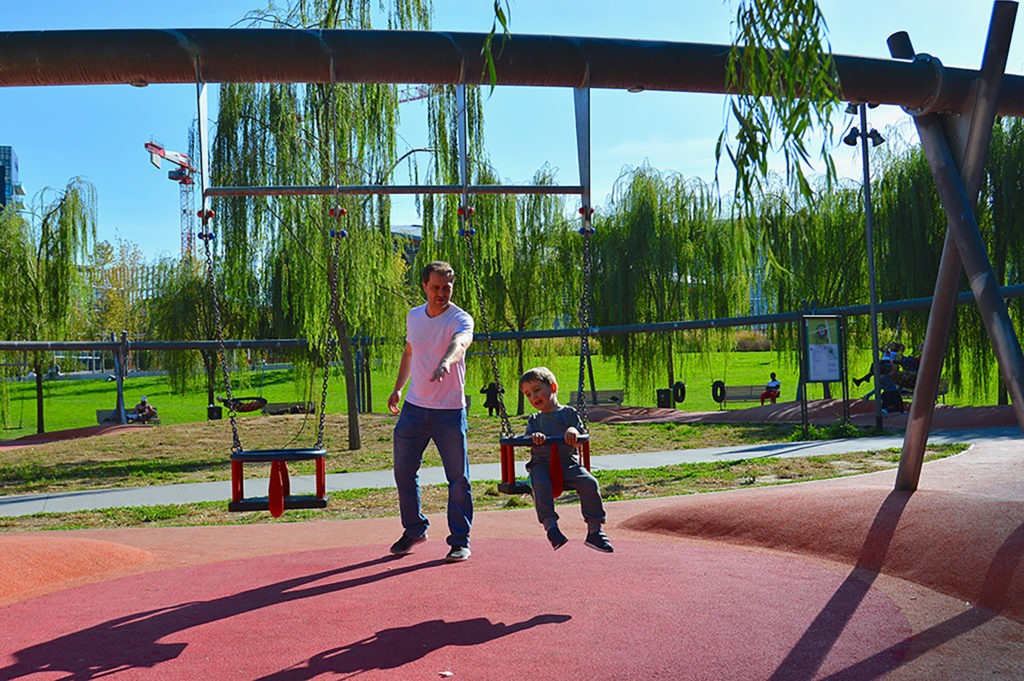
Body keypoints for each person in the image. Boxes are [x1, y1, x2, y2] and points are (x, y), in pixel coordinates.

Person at [387, 261, 475, 563]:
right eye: (436, 287)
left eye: (447, 287)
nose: (441, 293)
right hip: (414, 407)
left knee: (457, 478)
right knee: (403, 471)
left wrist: (446, 362)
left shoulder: (460, 318)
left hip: (449, 410)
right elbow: (411, 350)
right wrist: (399, 387)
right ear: (424, 286)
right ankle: (414, 528)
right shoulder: (414, 316)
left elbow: (459, 343)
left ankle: (460, 540)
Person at [519, 366, 614, 553]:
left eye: (537, 390)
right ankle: (551, 528)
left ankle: (595, 531)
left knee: (589, 482)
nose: (533, 397)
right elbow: (527, 439)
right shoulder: (534, 420)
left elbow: (578, 435)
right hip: (541, 465)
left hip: (568, 463)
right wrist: (534, 437)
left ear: (553, 387)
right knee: (540, 485)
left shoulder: (569, 414)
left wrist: (573, 431)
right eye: (528, 394)